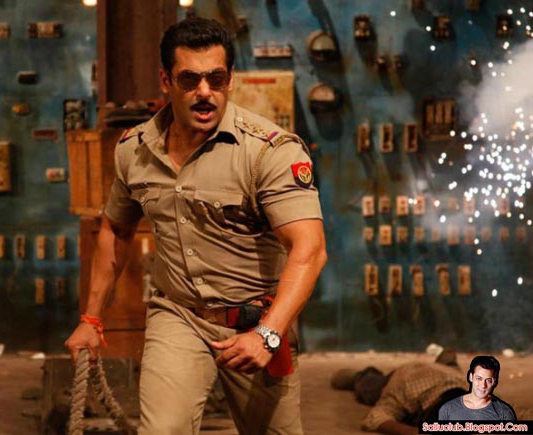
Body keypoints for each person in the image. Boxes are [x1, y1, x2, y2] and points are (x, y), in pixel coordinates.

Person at [64, 17, 327, 435]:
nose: (205, 92)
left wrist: (268, 334)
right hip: (178, 315)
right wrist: (91, 319)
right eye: (190, 80)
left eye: (216, 79)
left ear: (230, 79)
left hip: (255, 319)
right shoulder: (134, 150)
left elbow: (309, 250)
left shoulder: (269, 151)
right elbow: (116, 230)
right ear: (166, 81)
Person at [332, 350, 468, 435]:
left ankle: (446, 363)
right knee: (370, 388)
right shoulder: (406, 391)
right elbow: (375, 418)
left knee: (453, 371)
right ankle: (360, 376)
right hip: (407, 373)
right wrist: (410, 432)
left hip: (450, 374)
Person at [438, 355, 516, 421]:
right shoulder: (447, 409)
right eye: (479, 378)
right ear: (471, 377)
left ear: (494, 382)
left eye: (488, 380)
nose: (483, 385)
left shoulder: (504, 413)